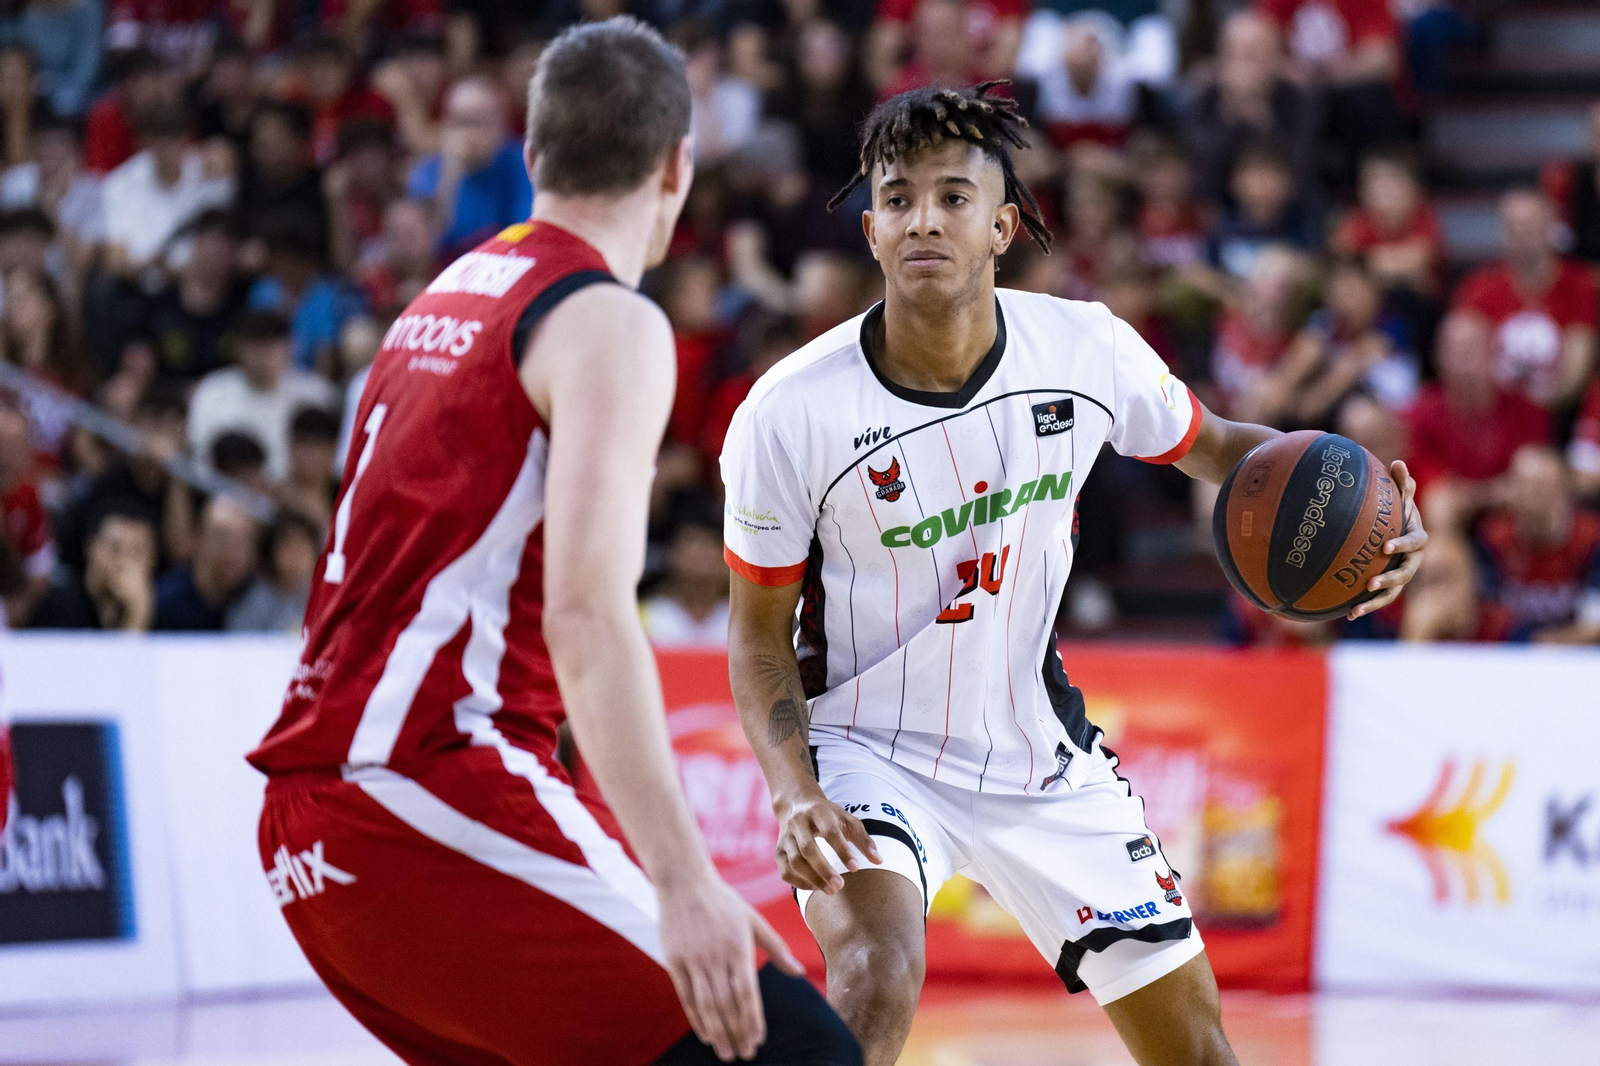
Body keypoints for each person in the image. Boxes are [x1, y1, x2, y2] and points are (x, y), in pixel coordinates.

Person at [719, 81, 1429, 1066]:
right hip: (865, 752)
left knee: (1198, 1051)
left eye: (953, 197)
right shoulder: (787, 413)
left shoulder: (1084, 348)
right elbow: (757, 634)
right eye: (897, 199)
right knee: (875, 975)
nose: (923, 219)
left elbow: (1227, 449)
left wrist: (1370, 514)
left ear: (1002, 226)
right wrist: (794, 791)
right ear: (871, 230)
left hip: (1041, 760)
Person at [246, 19, 859, 1066]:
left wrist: (631, 866)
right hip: (423, 792)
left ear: (532, 153)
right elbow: (585, 617)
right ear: (677, 167)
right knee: (793, 1051)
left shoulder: (436, 302)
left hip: (314, 828)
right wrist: (683, 882)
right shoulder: (607, 320)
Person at [1451, 189, 1599, 410]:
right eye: (1512, 225)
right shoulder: (1478, 288)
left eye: (1529, 224)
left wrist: (1531, 412)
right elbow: (1467, 360)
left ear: (1551, 228)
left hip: (1559, 410)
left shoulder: (1580, 285)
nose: (1520, 233)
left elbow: (1575, 372)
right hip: (1497, 411)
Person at [187, 310, 339, 481]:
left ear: (290, 347)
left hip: (297, 488)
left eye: (270, 347)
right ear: (238, 349)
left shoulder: (316, 393)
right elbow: (200, 458)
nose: (262, 357)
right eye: (254, 348)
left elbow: (333, 459)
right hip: (231, 488)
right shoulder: (212, 391)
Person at [29, 498, 158, 631]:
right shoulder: (59, 609)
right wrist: (137, 614)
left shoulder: (167, 612)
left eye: (136, 551)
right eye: (115, 548)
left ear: (153, 558)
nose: (123, 562)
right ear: (90, 548)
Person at [153, 493, 261, 631]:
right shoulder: (164, 601)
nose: (232, 552)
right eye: (222, 539)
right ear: (198, 538)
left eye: (242, 542)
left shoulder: (259, 601)